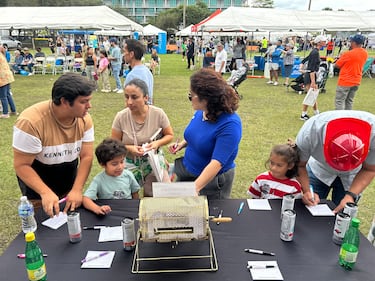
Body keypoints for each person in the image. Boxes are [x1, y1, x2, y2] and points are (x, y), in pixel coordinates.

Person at [12, 73, 96, 217]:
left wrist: (76, 189)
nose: (89, 106)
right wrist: (44, 192)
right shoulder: (30, 122)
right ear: (64, 101)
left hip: (67, 175)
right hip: (38, 179)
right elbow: (21, 165)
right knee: (43, 225)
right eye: (83, 102)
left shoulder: (84, 119)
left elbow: (86, 156)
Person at [169, 68, 242, 199]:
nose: (190, 98)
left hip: (211, 182)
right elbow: (199, 134)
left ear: (206, 99)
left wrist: (195, 187)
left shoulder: (230, 125)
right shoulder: (202, 111)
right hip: (188, 170)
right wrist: (183, 144)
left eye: (191, 95)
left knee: (206, 216)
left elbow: (217, 163)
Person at [295, 110, 375, 213]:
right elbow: (299, 165)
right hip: (319, 169)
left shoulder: (374, 133)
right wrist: (306, 191)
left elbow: (369, 169)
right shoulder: (312, 130)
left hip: (353, 176)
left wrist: (351, 195)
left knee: (343, 216)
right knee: (308, 209)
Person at [111, 78, 173, 197]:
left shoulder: (158, 113)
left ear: (146, 98)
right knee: (124, 195)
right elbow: (114, 144)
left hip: (153, 160)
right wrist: (130, 148)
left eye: (134, 97)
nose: (129, 102)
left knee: (161, 194)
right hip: (129, 162)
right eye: (126, 97)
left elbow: (169, 135)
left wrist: (156, 144)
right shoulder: (121, 117)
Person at [82, 138, 140, 215]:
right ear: (102, 164)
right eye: (114, 164)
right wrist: (97, 208)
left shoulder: (128, 175)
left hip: (127, 212)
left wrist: (136, 209)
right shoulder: (99, 180)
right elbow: (86, 199)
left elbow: (135, 194)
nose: (120, 167)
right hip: (109, 214)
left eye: (122, 162)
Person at [334, 34, 368, 110]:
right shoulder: (365, 53)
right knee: (349, 101)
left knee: (339, 101)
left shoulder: (348, 54)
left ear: (354, 42)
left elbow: (337, 65)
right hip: (356, 80)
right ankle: (348, 118)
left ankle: (340, 118)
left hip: (345, 81)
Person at [299, 35, 326, 121]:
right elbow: (311, 68)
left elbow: (304, 60)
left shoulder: (314, 51)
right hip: (311, 75)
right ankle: (304, 114)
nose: (325, 43)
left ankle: (316, 112)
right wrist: (313, 82)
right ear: (319, 42)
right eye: (323, 41)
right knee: (311, 95)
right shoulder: (315, 52)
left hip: (311, 74)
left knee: (312, 95)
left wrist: (301, 68)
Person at [123, 38, 154, 104]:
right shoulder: (147, 71)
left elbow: (129, 102)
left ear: (131, 54)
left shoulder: (132, 76)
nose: (123, 54)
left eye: (124, 51)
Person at [0, 48, 17, 118]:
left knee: (3, 96)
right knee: (8, 94)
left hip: (2, 77)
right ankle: (13, 111)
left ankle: (5, 113)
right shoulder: (2, 55)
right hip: (7, 76)